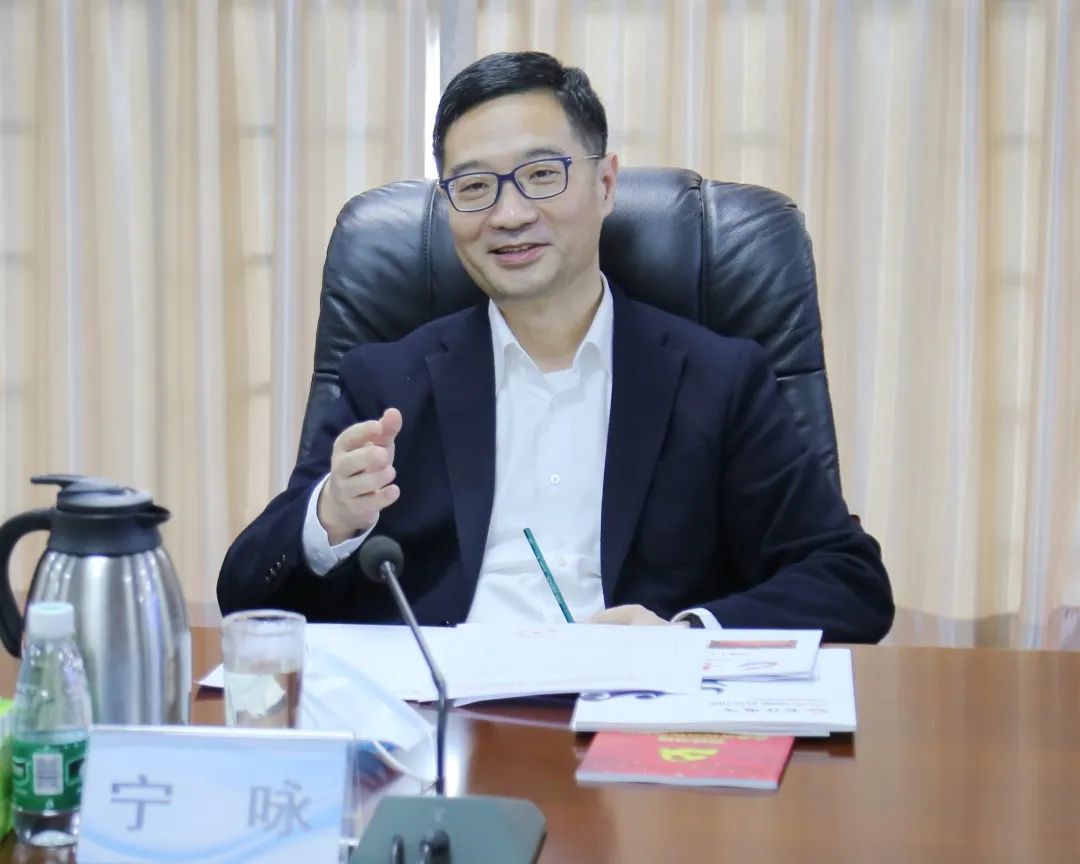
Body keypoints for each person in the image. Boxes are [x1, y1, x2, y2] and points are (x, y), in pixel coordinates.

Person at [217, 51, 894, 642]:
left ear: (605, 184)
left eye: (542, 175)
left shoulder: (717, 379)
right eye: (474, 187)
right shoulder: (387, 381)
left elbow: (847, 578)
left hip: (633, 715)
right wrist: (331, 517)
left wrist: (684, 637)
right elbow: (244, 594)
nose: (509, 214)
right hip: (444, 715)